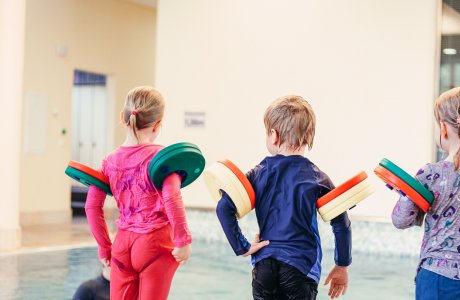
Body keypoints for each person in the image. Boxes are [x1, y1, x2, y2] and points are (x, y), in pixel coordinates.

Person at [216, 95, 352, 300]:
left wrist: (242, 246)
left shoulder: (258, 173)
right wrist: (342, 264)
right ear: (309, 136)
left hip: (264, 266)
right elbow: (341, 221)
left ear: (273, 135)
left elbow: (223, 207)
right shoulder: (318, 178)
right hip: (301, 268)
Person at [392, 86, 460, 300]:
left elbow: (400, 220)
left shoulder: (430, 174)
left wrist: (406, 195)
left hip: (436, 276)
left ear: (443, 129)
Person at [85, 86, 191, 299]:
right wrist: (183, 240)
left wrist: (105, 247)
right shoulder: (162, 158)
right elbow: (172, 196)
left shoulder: (109, 161)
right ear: (158, 124)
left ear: (123, 118)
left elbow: (92, 206)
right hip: (155, 243)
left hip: (122, 245)